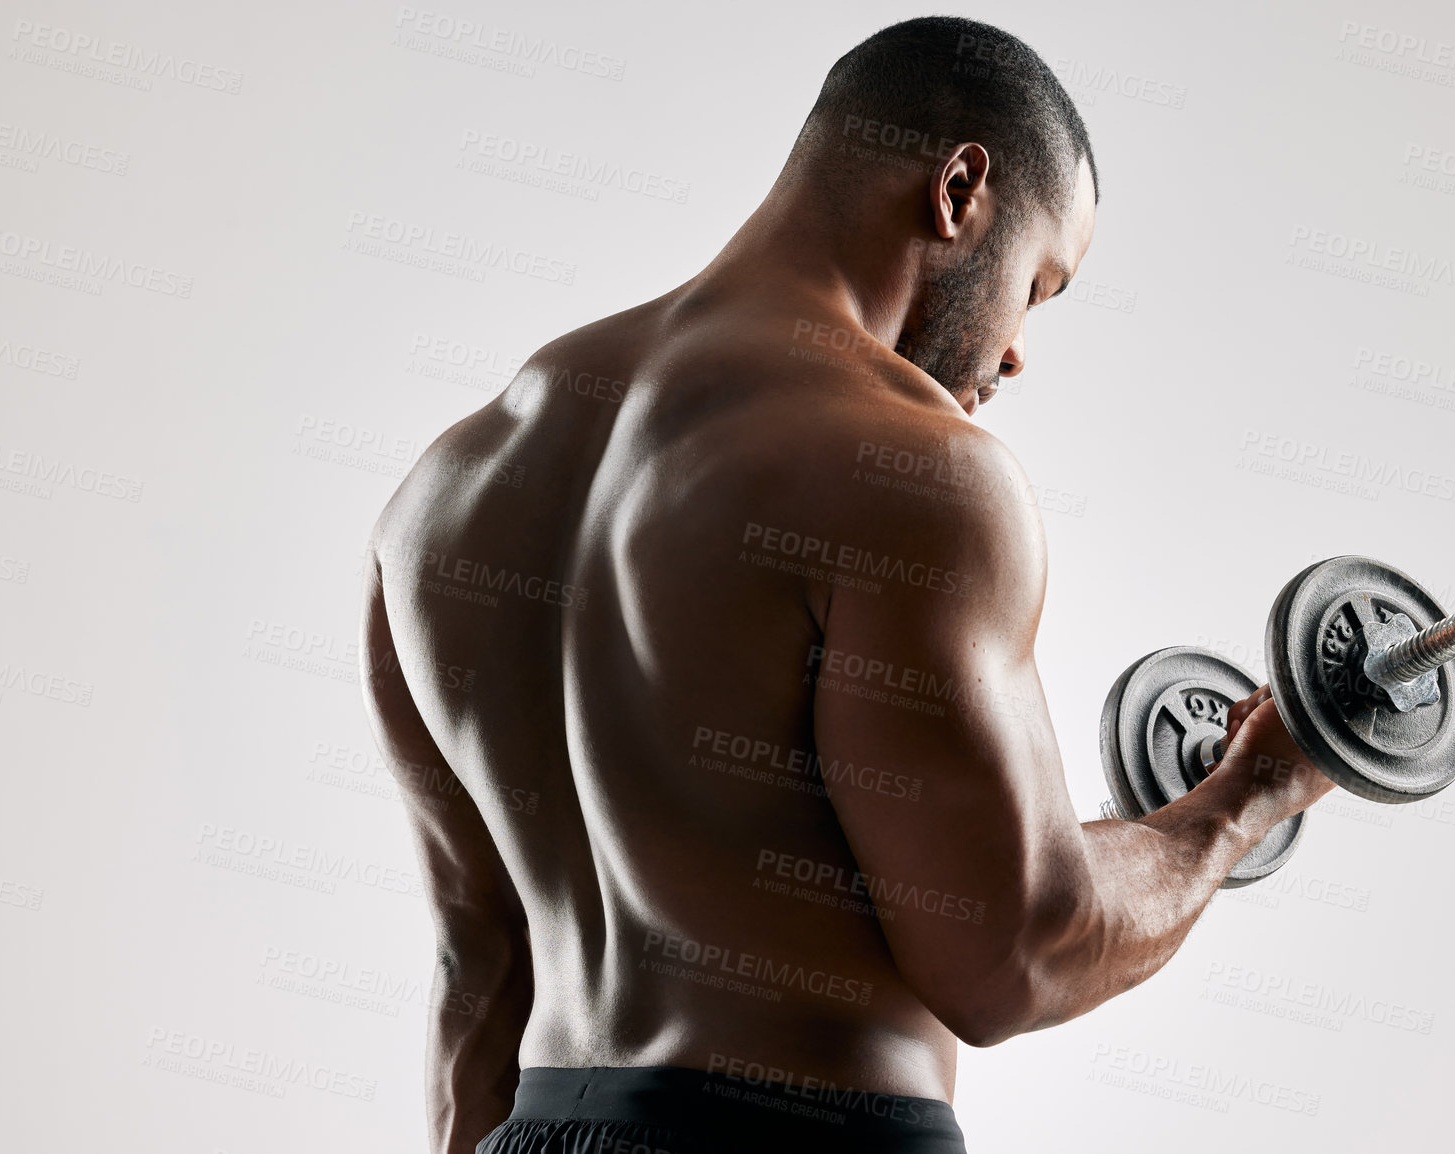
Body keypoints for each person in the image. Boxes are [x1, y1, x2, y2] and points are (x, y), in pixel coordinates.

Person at [360, 16, 1332, 1153]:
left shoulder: (443, 491)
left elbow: (474, 966)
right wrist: (1244, 796)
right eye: (1040, 285)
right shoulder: (921, 471)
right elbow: (1018, 949)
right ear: (961, 188)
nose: (1017, 350)